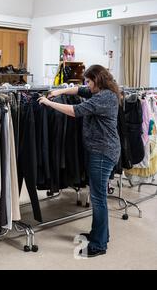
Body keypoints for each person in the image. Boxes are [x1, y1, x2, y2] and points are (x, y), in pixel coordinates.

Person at [38, 65, 121, 258]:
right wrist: (60, 90)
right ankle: (99, 235)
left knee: (98, 199)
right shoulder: (103, 91)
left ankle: (99, 245)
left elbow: (76, 110)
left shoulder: (104, 98)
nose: (87, 85)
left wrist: (50, 103)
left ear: (98, 80)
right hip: (101, 151)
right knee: (98, 197)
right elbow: (79, 90)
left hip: (102, 153)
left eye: (89, 81)